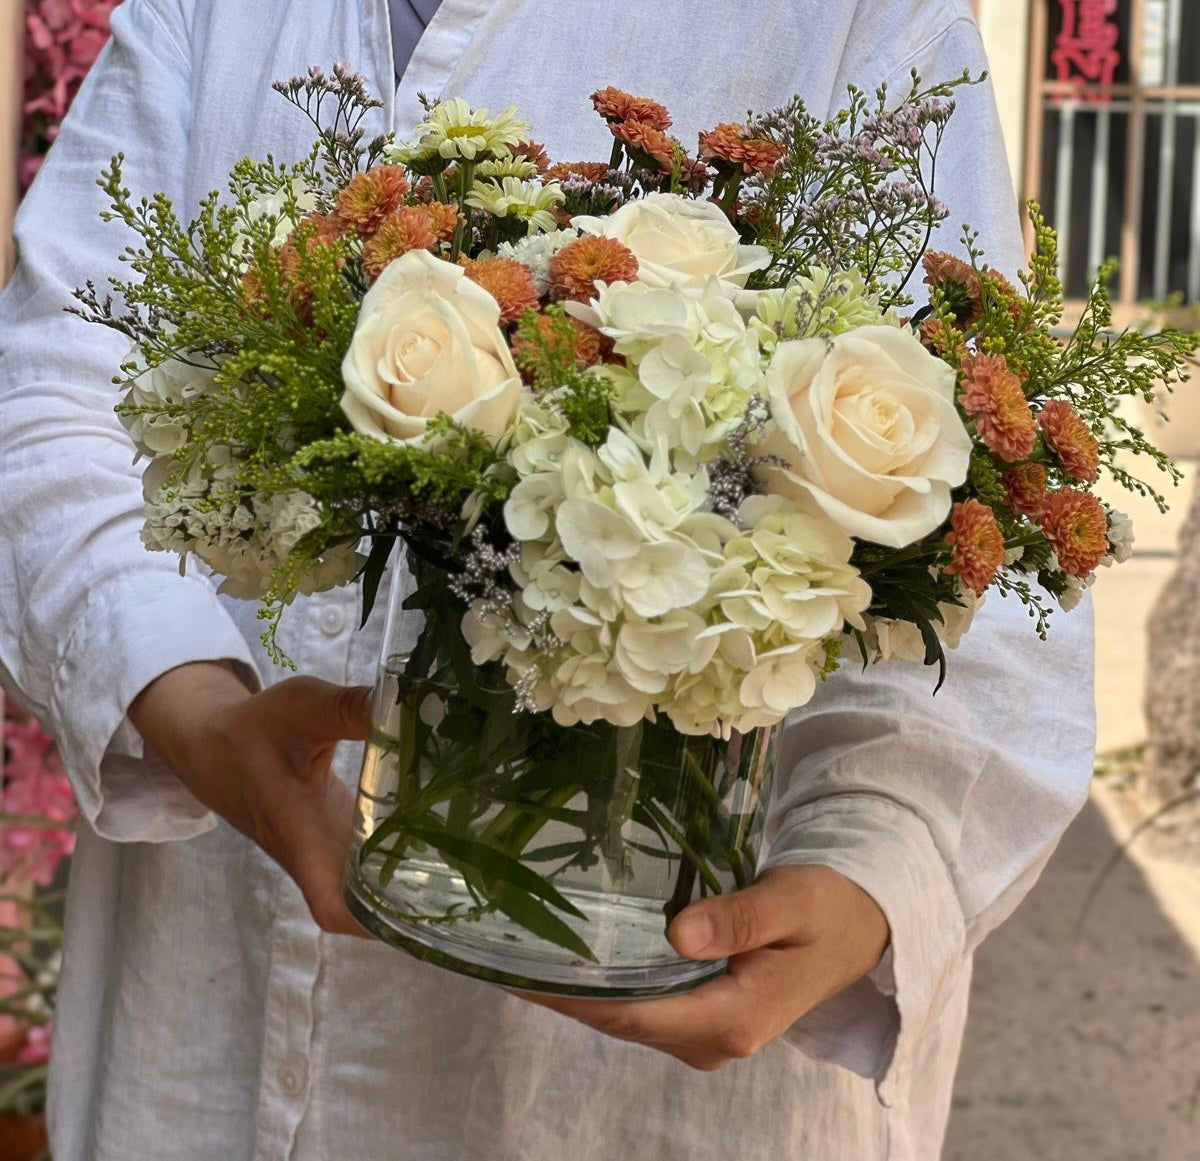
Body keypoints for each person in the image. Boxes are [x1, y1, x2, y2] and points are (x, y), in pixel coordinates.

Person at [0, 1, 1096, 1158]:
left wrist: (868, 871)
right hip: (195, 1040)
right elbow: (52, 394)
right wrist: (191, 702)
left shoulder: (861, 21)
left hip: (645, 1077)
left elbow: (972, 535)